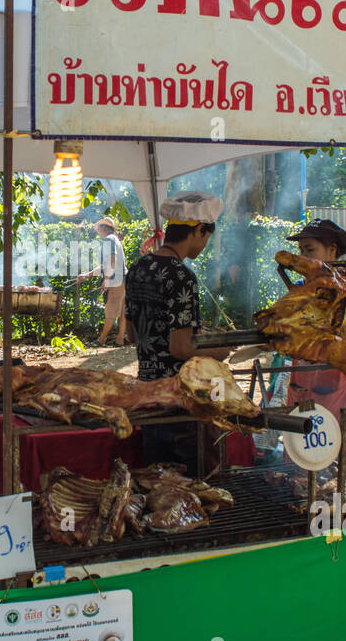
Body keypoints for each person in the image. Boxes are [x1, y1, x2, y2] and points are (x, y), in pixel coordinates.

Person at [124, 191, 231, 467]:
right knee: (195, 487)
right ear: (198, 230)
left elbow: (133, 334)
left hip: (147, 396)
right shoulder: (182, 276)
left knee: (159, 483)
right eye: (206, 237)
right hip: (179, 401)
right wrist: (219, 349)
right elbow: (180, 348)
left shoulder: (138, 268)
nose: (205, 245)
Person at [282, 219, 346, 454]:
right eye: (301, 251)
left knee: (341, 454)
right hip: (302, 380)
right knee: (304, 451)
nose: (303, 257)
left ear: (332, 250)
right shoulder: (298, 287)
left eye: (310, 250)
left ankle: (338, 491)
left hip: (339, 381)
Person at [75, 216, 128, 347]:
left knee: (110, 312)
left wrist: (107, 279)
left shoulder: (108, 240)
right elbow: (104, 266)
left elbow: (112, 260)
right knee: (122, 311)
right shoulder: (114, 240)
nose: (97, 231)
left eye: (98, 228)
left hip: (116, 281)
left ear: (104, 228)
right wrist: (87, 275)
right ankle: (120, 339)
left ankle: (101, 340)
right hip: (124, 279)